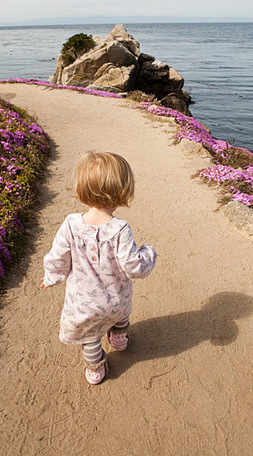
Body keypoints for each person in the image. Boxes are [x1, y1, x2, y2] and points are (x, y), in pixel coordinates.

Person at [40, 151, 157, 385]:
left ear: (82, 191)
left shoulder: (71, 225)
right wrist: (149, 254)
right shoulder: (120, 229)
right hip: (116, 300)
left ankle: (95, 369)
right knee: (120, 315)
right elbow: (134, 267)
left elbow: (58, 257)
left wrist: (51, 276)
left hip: (84, 304)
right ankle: (119, 337)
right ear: (123, 192)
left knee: (90, 338)